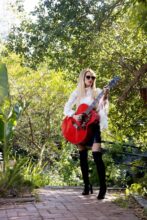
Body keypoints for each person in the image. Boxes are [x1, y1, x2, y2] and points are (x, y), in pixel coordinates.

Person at [63, 68, 109, 200]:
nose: (91, 80)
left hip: (93, 127)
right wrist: (74, 115)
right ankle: (86, 185)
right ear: (83, 78)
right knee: (82, 156)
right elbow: (66, 108)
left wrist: (105, 96)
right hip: (80, 128)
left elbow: (102, 108)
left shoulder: (98, 92)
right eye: (88, 77)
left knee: (97, 155)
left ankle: (103, 187)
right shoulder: (77, 92)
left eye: (93, 78)